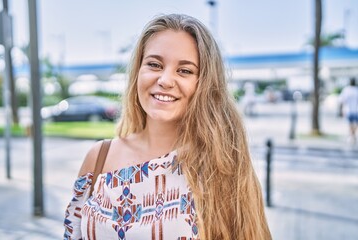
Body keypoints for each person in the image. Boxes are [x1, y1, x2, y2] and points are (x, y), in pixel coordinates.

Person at [64, 13, 271, 240]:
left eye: (185, 70)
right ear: (137, 72)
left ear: (204, 84)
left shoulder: (220, 165)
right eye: (154, 64)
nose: (165, 80)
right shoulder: (99, 157)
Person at [339, 77, 358, 145]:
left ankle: (351, 135)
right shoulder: (356, 90)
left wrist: (341, 110)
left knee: (350, 124)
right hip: (355, 110)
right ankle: (353, 135)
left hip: (348, 110)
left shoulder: (346, 90)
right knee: (355, 124)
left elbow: (341, 100)